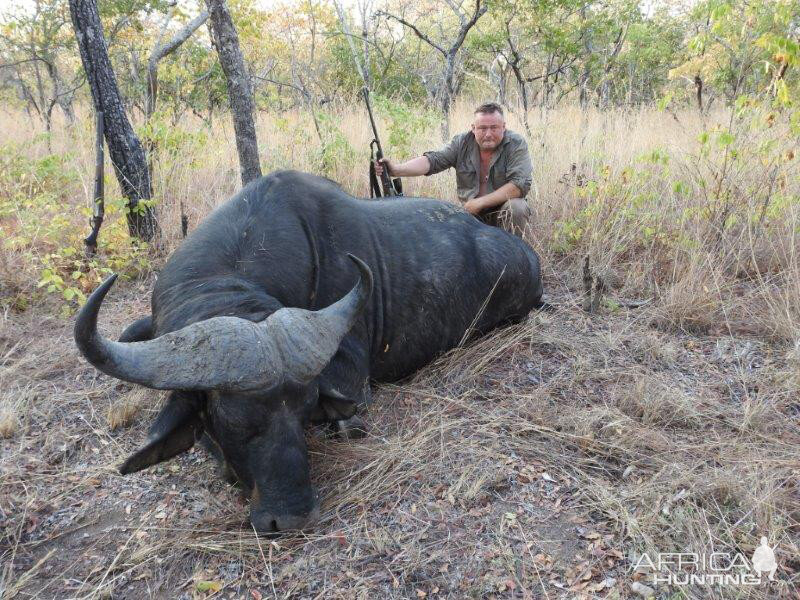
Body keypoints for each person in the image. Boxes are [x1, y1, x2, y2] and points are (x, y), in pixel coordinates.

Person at [375, 102, 532, 237]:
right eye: (482, 128)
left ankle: (514, 260)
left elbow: (519, 186)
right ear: (473, 128)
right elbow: (433, 160)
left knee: (517, 207)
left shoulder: (516, 144)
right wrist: (396, 169)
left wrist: (479, 203)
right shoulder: (462, 142)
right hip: (469, 215)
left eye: (494, 128)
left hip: (500, 213)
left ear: (504, 127)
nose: (488, 134)